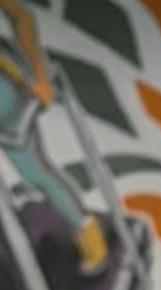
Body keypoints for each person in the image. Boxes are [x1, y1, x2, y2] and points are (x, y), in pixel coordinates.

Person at [0, 0, 108, 274]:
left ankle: (88, 234)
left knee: (36, 172)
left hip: (8, 99)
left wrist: (40, 75)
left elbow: (21, 16)